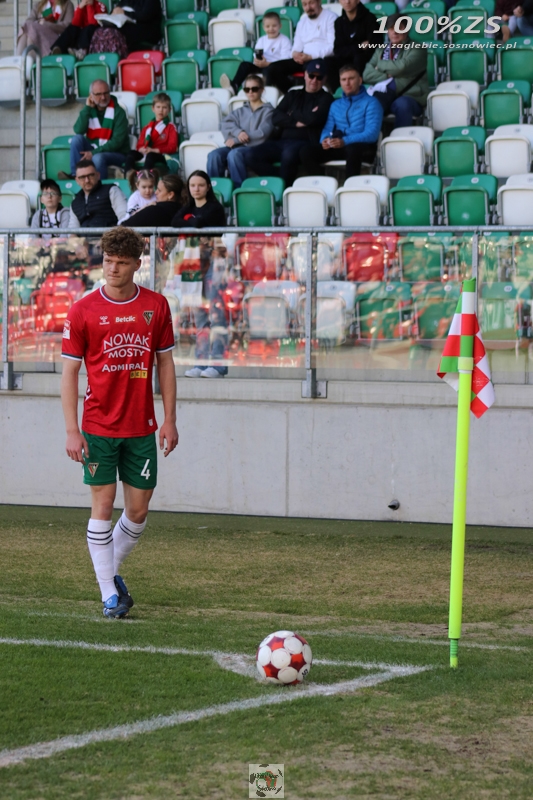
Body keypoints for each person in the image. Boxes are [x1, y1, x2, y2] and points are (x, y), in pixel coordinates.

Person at [61, 226, 178, 618]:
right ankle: (109, 594)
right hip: (97, 427)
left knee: (139, 511)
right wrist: (72, 429)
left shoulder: (156, 306)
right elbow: (69, 373)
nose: (112, 268)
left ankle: (108, 571)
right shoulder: (82, 310)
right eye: (108, 261)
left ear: (137, 265)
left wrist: (169, 419)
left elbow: (165, 363)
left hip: (142, 426)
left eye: (121, 263)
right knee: (103, 504)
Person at [243, 60, 333, 187]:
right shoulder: (292, 94)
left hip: (306, 141)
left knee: (288, 155)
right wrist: (296, 122)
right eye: (311, 75)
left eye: (319, 77)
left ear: (325, 79)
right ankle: (280, 182)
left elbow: (314, 118)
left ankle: (284, 188)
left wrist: (291, 113)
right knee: (250, 155)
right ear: (305, 75)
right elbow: (275, 117)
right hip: (281, 141)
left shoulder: (327, 98)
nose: (314, 80)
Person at [300, 65, 383, 178]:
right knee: (306, 151)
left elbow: (371, 134)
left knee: (353, 149)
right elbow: (328, 128)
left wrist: (345, 141)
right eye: (343, 79)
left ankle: (350, 186)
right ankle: (325, 185)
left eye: (351, 79)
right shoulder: (335, 104)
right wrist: (325, 139)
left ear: (359, 81)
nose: (347, 83)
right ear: (340, 82)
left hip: (363, 147)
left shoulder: (372, 102)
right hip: (340, 145)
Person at [207, 75, 274, 188]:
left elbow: (262, 134)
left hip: (256, 148)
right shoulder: (240, 111)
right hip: (237, 147)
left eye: (254, 89)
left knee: (234, 154)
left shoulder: (269, 111)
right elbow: (224, 124)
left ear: (262, 90)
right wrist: (238, 132)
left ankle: (239, 190)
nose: (250, 92)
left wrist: (236, 140)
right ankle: (214, 189)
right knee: (214, 155)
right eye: (247, 89)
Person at [363, 14, 428, 128]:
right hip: (384, 94)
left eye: (399, 28)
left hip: (410, 96)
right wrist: (386, 76)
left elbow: (402, 67)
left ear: (407, 30)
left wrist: (379, 66)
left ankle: (401, 138)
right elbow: (366, 74)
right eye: (391, 28)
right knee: (368, 104)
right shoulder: (381, 50)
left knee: (402, 104)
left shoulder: (418, 48)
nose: (395, 32)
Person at [61, 80, 130, 180]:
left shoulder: (119, 112)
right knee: (77, 139)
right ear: (91, 95)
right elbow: (78, 130)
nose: (103, 97)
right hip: (95, 148)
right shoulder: (89, 110)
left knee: (98, 157)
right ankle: (76, 176)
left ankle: (99, 186)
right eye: (98, 94)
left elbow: (117, 142)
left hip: (117, 153)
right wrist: (87, 108)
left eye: (106, 93)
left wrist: (93, 153)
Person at [267, 0, 336, 94]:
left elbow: (333, 47)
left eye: (311, 3)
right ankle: (292, 93)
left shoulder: (331, 17)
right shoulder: (302, 22)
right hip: (304, 59)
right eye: (305, 4)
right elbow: (296, 46)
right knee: (272, 69)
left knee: (316, 68)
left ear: (319, 2)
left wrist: (311, 56)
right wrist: (295, 54)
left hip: (323, 58)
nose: (308, 7)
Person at [219, 12, 292, 96]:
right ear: (263, 27)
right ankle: (233, 87)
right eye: (268, 26)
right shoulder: (261, 40)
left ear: (280, 26)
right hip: (262, 65)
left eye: (274, 26)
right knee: (245, 65)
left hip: (275, 68)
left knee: (269, 71)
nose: (271, 29)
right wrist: (258, 61)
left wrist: (268, 64)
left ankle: (268, 94)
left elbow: (285, 60)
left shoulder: (284, 40)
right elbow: (256, 54)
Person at [326, 0, 381, 91]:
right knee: (328, 62)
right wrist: (359, 46)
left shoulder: (370, 19)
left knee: (359, 58)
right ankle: (337, 92)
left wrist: (350, 49)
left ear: (358, 0)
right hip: (346, 59)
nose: (347, 1)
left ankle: (359, 91)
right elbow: (338, 50)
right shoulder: (339, 22)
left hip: (364, 60)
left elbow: (374, 45)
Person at [123, 93, 178, 175]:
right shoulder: (147, 127)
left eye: (164, 107)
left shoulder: (171, 127)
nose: (161, 110)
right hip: (147, 152)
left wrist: (154, 150)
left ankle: (144, 177)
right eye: (158, 107)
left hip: (161, 155)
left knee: (151, 155)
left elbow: (173, 147)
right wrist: (142, 149)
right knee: (131, 153)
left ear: (169, 110)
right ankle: (128, 176)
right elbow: (139, 145)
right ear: (153, 108)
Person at [69, 159, 127, 228]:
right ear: (77, 180)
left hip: (110, 234)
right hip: (84, 235)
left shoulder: (112, 190)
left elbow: (124, 218)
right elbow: (72, 229)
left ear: (98, 175)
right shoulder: (75, 203)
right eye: (82, 177)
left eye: (90, 175)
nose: (87, 180)